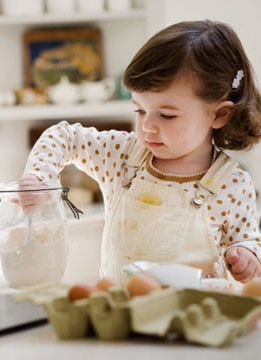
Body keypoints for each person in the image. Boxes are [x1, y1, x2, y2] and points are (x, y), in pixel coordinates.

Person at [18, 20, 261, 283]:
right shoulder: (121, 156)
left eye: (166, 115)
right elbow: (64, 136)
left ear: (220, 114)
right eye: (140, 110)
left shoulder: (232, 184)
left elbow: (247, 240)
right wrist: (39, 177)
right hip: (121, 314)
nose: (147, 126)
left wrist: (246, 255)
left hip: (193, 318)